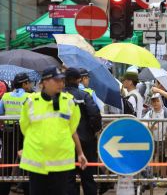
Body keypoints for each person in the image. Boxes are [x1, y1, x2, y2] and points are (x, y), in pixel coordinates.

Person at [19, 66, 87, 195]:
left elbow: (72, 129)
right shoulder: (31, 102)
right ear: (44, 82)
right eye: (56, 80)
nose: (61, 83)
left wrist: (80, 152)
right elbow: (25, 127)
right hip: (37, 162)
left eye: (62, 80)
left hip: (61, 162)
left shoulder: (70, 102)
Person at [64, 68, 102, 195]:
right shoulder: (84, 95)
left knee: (68, 179)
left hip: (65, 142)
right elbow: (95, 115)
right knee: (88, 178)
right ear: (78, 79)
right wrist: (92, 131)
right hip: (86, 142)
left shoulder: (59, 97)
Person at [0, 73, 32, 195]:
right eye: (28, 82)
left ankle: (3, 191)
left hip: (9, 132)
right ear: (24, 84)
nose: (29, 85)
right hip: (25, 133)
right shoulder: (30, 97)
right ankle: (27, 190)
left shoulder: (6, 96)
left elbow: (0, 112)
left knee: (7, 163)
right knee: (27, 162)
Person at [143, 93, 167, 177]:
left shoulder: (166, 112)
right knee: (152, 157)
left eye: (157, 101)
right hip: (153, 139)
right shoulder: (150, 113)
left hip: (164, 139)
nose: (155, 103)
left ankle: (163, 176)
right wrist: (150, 126)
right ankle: (153, 175)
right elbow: (143, 122)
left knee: (162, 159)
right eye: (153, 101)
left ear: (161, 101)